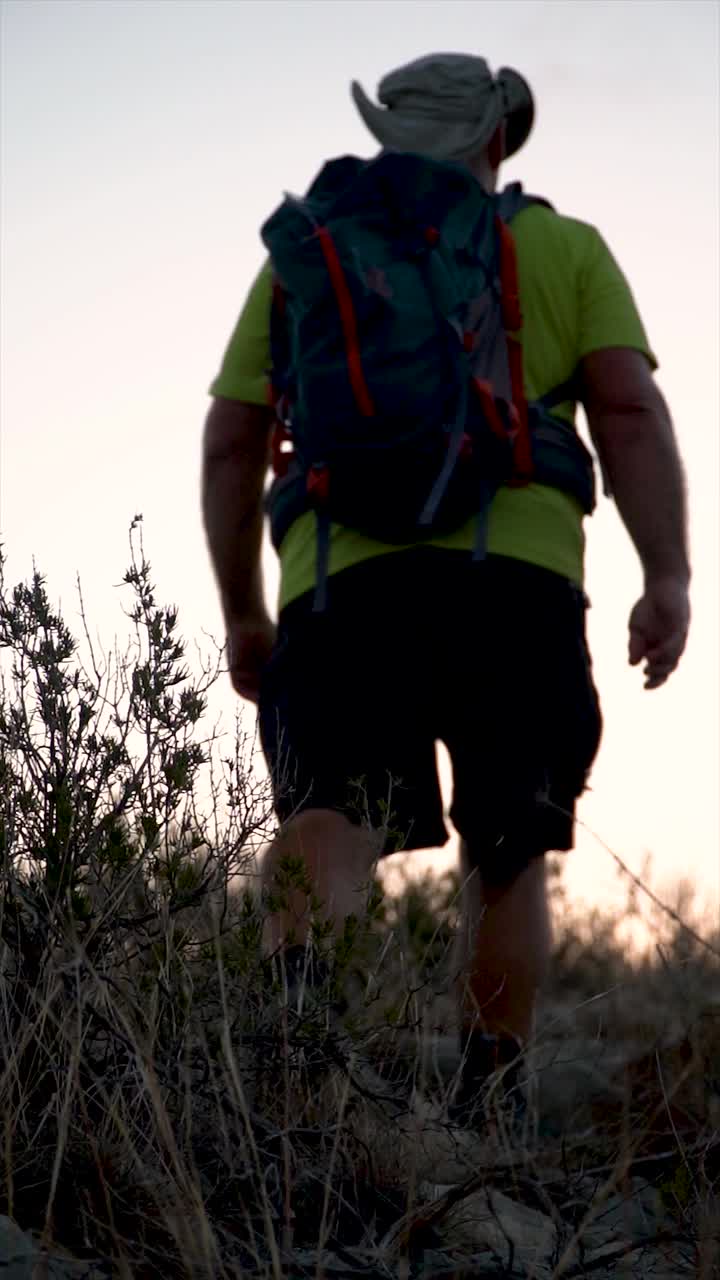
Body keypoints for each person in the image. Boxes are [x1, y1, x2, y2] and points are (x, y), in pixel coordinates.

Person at [201, 53, 690, 1118]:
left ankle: (296, 1075)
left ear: (387, 136)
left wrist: (245, 609)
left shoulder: (307, 256)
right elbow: (630, 412)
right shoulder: (559, 246)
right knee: (509, 844)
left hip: (342, 583)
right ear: (495, 140)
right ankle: (488, 1098)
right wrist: (669, 575)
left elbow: (235, 441)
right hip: (516, 584)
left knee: (328, 813)